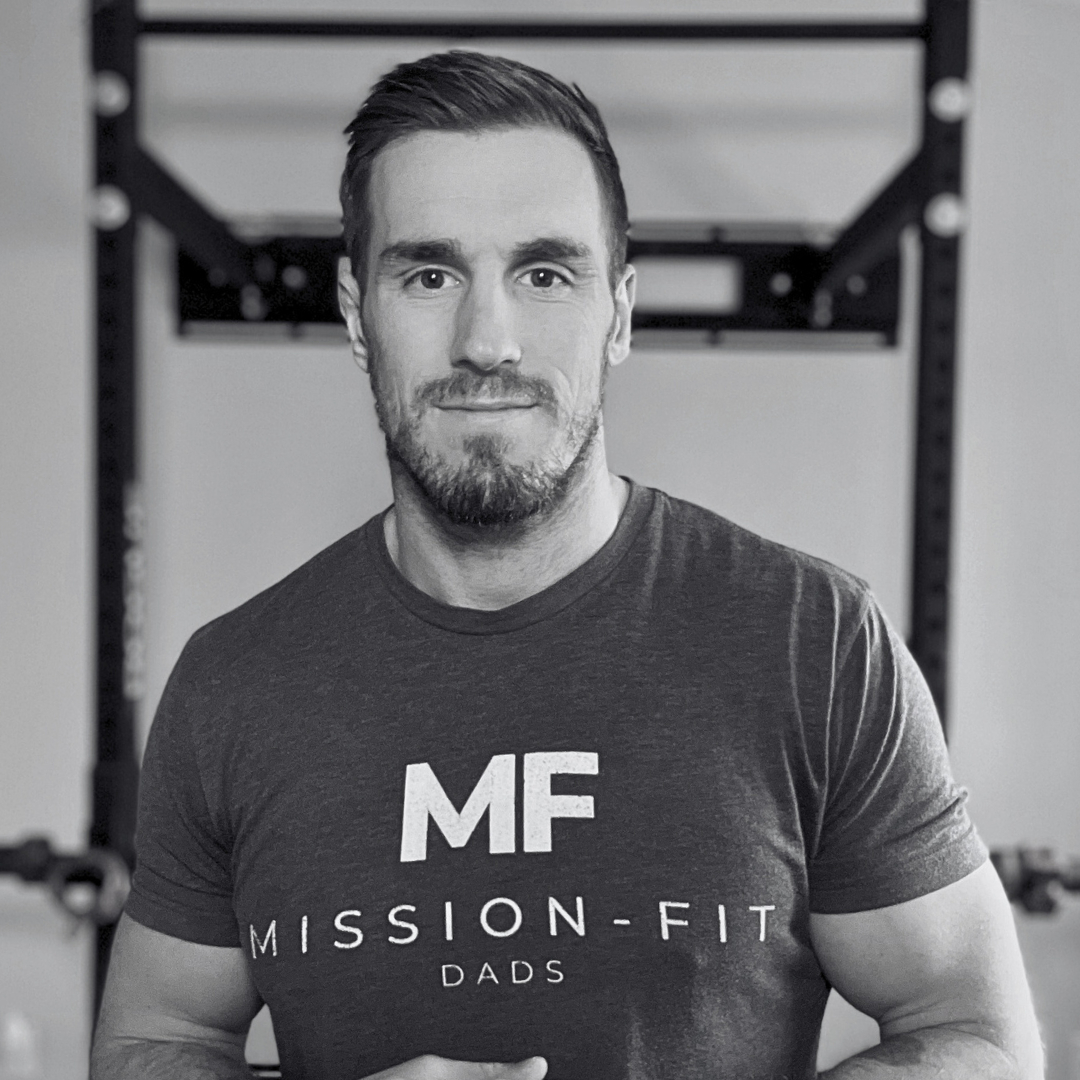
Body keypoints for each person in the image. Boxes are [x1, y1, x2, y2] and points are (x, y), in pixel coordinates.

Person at [91, 51, 1042, 1080]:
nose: (487, 340)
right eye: (429, 275)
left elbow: (977, 1034)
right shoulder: (234, 682)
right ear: (358, 315)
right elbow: (150, 1043)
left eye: (543, 274)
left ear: (619, 313)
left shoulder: (814, 642)